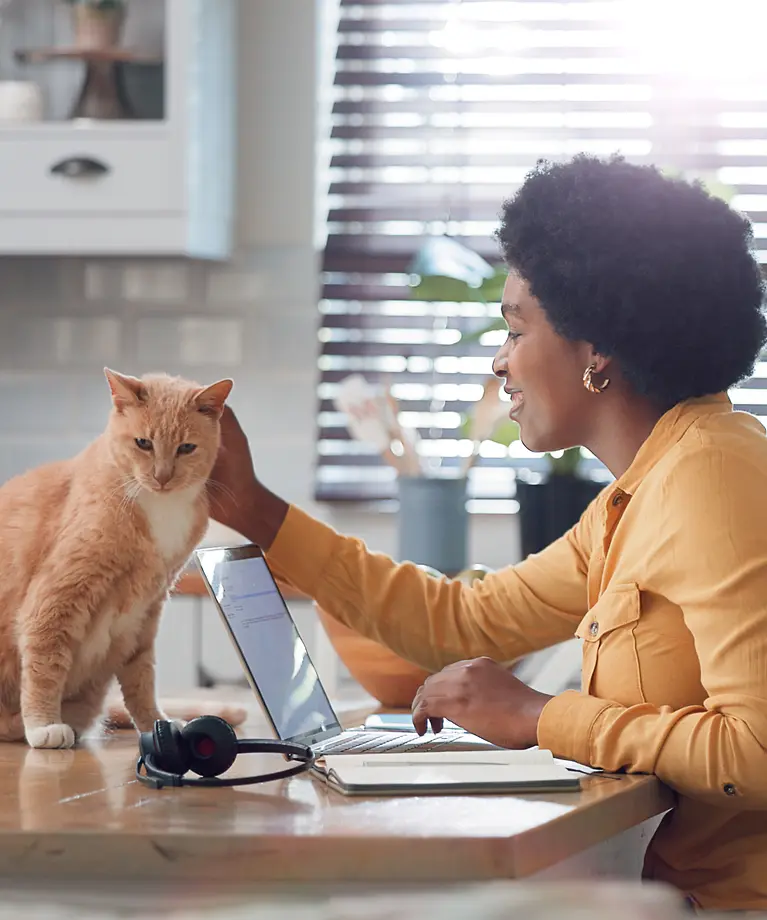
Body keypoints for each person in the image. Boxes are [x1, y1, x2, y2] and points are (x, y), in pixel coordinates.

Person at [208, 154, 767, 912]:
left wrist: (540, 717)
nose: (499, 360)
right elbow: (459, 621)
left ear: (595, 346)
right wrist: (257, 512)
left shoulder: (712, 478)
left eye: (514, 327)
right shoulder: (638, 496)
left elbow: (757, 752)